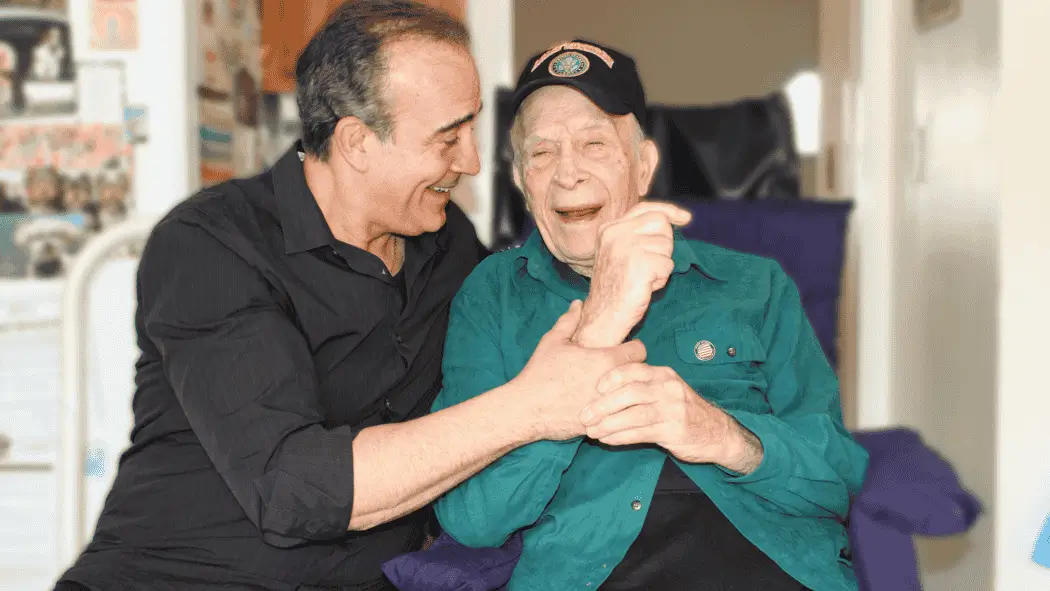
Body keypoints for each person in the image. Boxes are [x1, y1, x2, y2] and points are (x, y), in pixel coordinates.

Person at [53, 4, 645, 591]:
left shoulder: (448, 244)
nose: (469, 161)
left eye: (473, 126)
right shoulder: (214, 245)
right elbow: (294, 487)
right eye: (448, 137)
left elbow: (545, 302)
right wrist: (531, 406)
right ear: (358, 142)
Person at [431, 39, 870, 591]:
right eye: (541, 153)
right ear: (521, 180)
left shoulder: (753, 285)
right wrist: (597, 328)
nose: (567, 174)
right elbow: (473, 519)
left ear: (642, 167)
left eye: (594, 144)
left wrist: (722, 435)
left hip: (768, 564)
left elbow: (835, 480)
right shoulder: (491, 297)